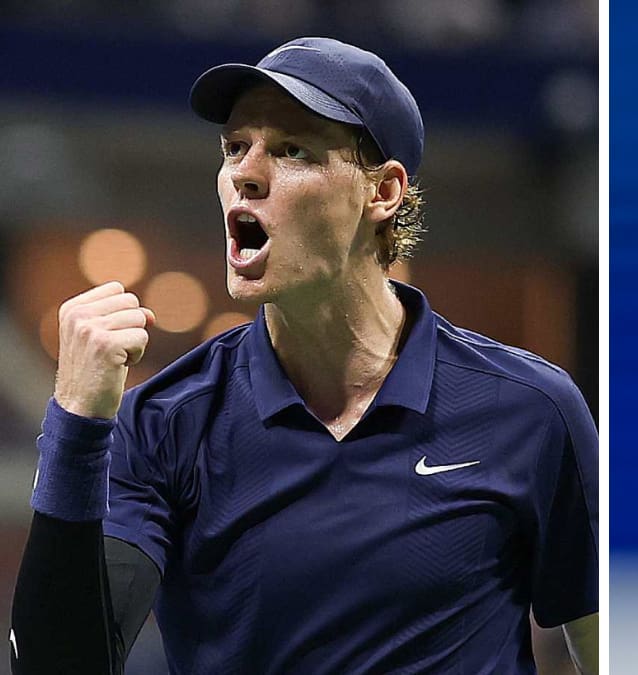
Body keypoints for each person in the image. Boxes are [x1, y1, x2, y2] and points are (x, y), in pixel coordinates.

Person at [9, 37, 598, 675]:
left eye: (292, 150)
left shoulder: (532, 408)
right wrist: (75, 425)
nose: (245, 172)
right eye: (235, 147)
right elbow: (58, 666)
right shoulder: (162, 423)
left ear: (384, 192)